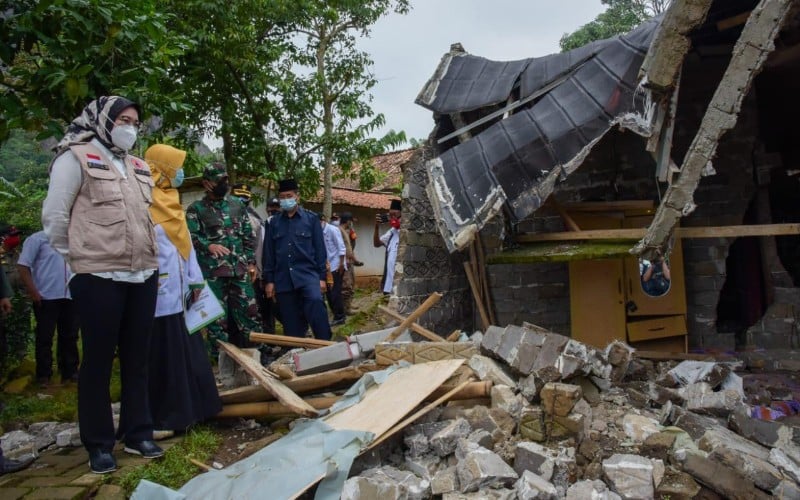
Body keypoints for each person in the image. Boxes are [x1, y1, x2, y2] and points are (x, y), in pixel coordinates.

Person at [42, 96, 163, 474]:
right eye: (123, 119)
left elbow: (147, 219)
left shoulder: (138, 166)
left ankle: (138, 432)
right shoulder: (73, 158)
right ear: (102, 120)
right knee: (96, 361)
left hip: (143, 274)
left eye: (134, 122)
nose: (130, 127)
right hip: (98, 276)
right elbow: (55, 217)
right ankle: (98, 443)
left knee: (136, 357)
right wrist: (79, 259)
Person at [144, 144, 221, 436]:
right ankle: (165, 418)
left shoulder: (172, 201)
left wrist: (196, 280)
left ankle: (195, 410)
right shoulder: (144, 203)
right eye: (176, 167)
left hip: (182, 292)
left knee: (189, 353)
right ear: (161, 169)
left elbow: (185, 248)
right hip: (158, 294)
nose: (180, 174)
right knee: (163, 357)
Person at [186, 163, 260, 358]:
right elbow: (189, 237)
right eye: (219, 180)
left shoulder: (237, 205)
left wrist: (251, 263)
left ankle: (259, 352)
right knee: (216, 319)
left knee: (250, 312)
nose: (224, 184)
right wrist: (207, 245)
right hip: (213, 274)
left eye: (226, 179)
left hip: (239, 270)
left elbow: (247, 236)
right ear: (207, 183)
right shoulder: (196, 209)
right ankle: (221, 358)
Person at [262, 179, 331, 340]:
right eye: (282, 197)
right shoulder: (273, 223)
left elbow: (320, 250)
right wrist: (269, 280)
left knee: (315, 305)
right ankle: (296, 354)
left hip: (308, 276)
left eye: (289, 196)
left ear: (297, 196)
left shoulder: (311, 219)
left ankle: (326, 345)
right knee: (291, 322)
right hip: (283, 279)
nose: (286, 200)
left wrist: (322, 277)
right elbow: (269, 254)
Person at [17, 231, 79, 386]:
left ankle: (69, 372)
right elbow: (23, 266)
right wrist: (33, 291)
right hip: (46, 295)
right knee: (45, 336)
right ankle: (44, 375)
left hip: (70, 295)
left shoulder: (75, 238)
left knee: (70, 336)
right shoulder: (37, 239)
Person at [230, 183, 275, 334]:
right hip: (228, 274)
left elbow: (262, 250)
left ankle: (264, 341)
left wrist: (262, 275)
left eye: (244, 198)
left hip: (251, 274)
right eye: (238, 197)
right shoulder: (222, 217)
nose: (241, 201)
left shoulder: (255, 220)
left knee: (256, 308)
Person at [320, 214, 346, 326]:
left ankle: (340, 316)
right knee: (329, 293)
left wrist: (341, 264)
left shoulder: (333, 230)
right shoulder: (318, 231)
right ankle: (336, 315)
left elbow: (341, 248)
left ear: (323, 220)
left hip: (336, 265)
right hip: (327, 266)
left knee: (335, 292)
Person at [374, 199, 402, 296]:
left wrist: (396, 223)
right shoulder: (392, 232)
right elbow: (377, 244)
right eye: (390, 215)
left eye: (394, 214)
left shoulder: (405, 231)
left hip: (400, 283)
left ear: (401, 213)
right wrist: (377, 227)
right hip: (389, 284)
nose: (392, 217)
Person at [337, 212, 358, 313]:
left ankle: (349, 304)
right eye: (351, 221)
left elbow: (349, 247)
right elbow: (341, 248)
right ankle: (346, 308)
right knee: (346, 284)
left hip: (349, 261)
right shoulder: (339, 230)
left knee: (351, 282)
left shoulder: (346, 231)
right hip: (344, 262)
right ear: (348, 221)